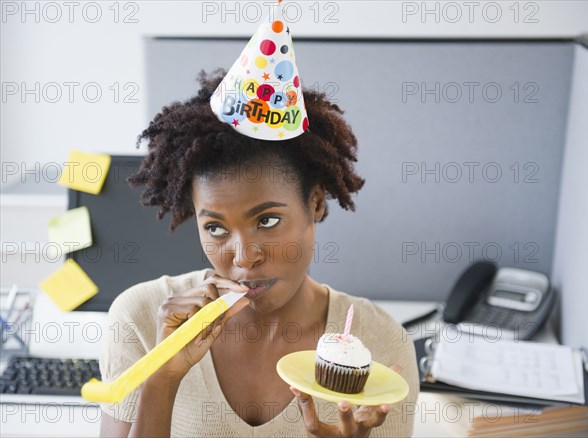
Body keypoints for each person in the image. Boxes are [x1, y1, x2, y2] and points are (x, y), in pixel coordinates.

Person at [98, 67, 419, 437]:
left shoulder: (381, 343)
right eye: (215, 228)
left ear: (314, 203)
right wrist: (161, 379)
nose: (244, 257)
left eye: (266, 221)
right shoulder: (138, 318)